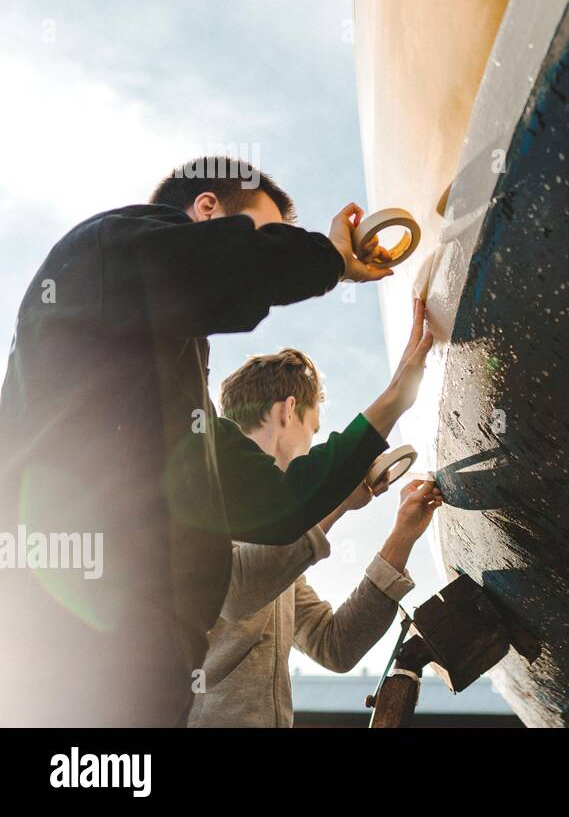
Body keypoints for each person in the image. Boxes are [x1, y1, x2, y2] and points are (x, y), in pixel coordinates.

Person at [0, 155, 431, 725]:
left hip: (145, 673)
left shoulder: (188, 416)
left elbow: (279, 507)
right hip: (66, 648)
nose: (266, 252)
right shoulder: (103, 250)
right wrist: (328, 259)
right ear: (207, 210)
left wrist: (396, 397)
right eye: (263, 233)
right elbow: (225, 270)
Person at [189, 349, 442, 727]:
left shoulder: (278, 555)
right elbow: (238, 591)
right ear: (288, 410)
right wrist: (333, 504)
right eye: (314, 429)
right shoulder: (204, 507)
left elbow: (334, 646)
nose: (312, 443)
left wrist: (402, 535)